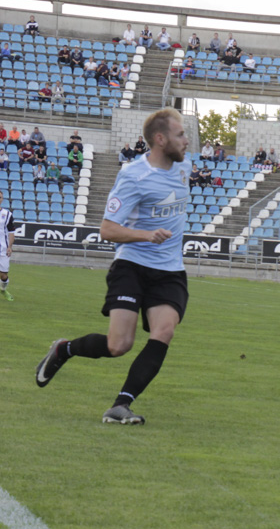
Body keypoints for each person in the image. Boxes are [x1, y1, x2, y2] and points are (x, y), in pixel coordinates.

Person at [34, 108, 191, 425]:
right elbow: (107, 230)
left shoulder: (184, 166)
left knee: (165, 330)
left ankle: (120, 405)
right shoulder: (134, 176)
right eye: (180, 134)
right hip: (131, 266)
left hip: (170, 270)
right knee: (119, 345)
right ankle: (64, 350)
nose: (186, 140)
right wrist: (147, 235)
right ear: (160, 139)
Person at [0, 189, 14, 301]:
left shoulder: (7, 214)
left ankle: (3, 290)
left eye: (0, 197)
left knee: (3, 275)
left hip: (3, 248)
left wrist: (10, 247)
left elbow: (11, 232)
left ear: (2, 199)